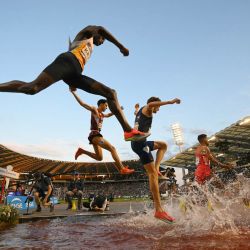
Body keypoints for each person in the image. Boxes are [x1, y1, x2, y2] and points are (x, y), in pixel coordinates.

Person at [0, 25, 148, 142]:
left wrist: (71, 80)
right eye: (102, 39)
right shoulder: (87, 32)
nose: (101, 42)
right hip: (68, 61)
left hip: (75, 73)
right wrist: (120, 46)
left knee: (111, 93)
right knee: (32, 88)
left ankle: (128, 131)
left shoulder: (90, 46)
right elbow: (100, 28)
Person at [131, 97, 181, 223]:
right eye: (158, 107)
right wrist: (170, 102)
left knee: (163, 145)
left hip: (141, 142)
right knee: (152, 174)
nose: (158, 110)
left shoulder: (140, 111)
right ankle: (158, 210)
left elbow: (136, 113)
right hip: (140, 144)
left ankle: (158, 167)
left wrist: (136, 108)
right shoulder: (148, 108)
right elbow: (151, 104)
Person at [71, 88, 134, 174]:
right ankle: (122, 169)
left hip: (96, 136)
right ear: (101, 104)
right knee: (112, 149)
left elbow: (109, 114)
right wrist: (74, 93)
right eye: (106, 105)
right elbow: (82, 103)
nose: (107, 107)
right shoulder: (94, 109)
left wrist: (118, 109)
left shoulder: (102, 115)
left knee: (99, 158)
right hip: (95, 135)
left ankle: (82, 151)